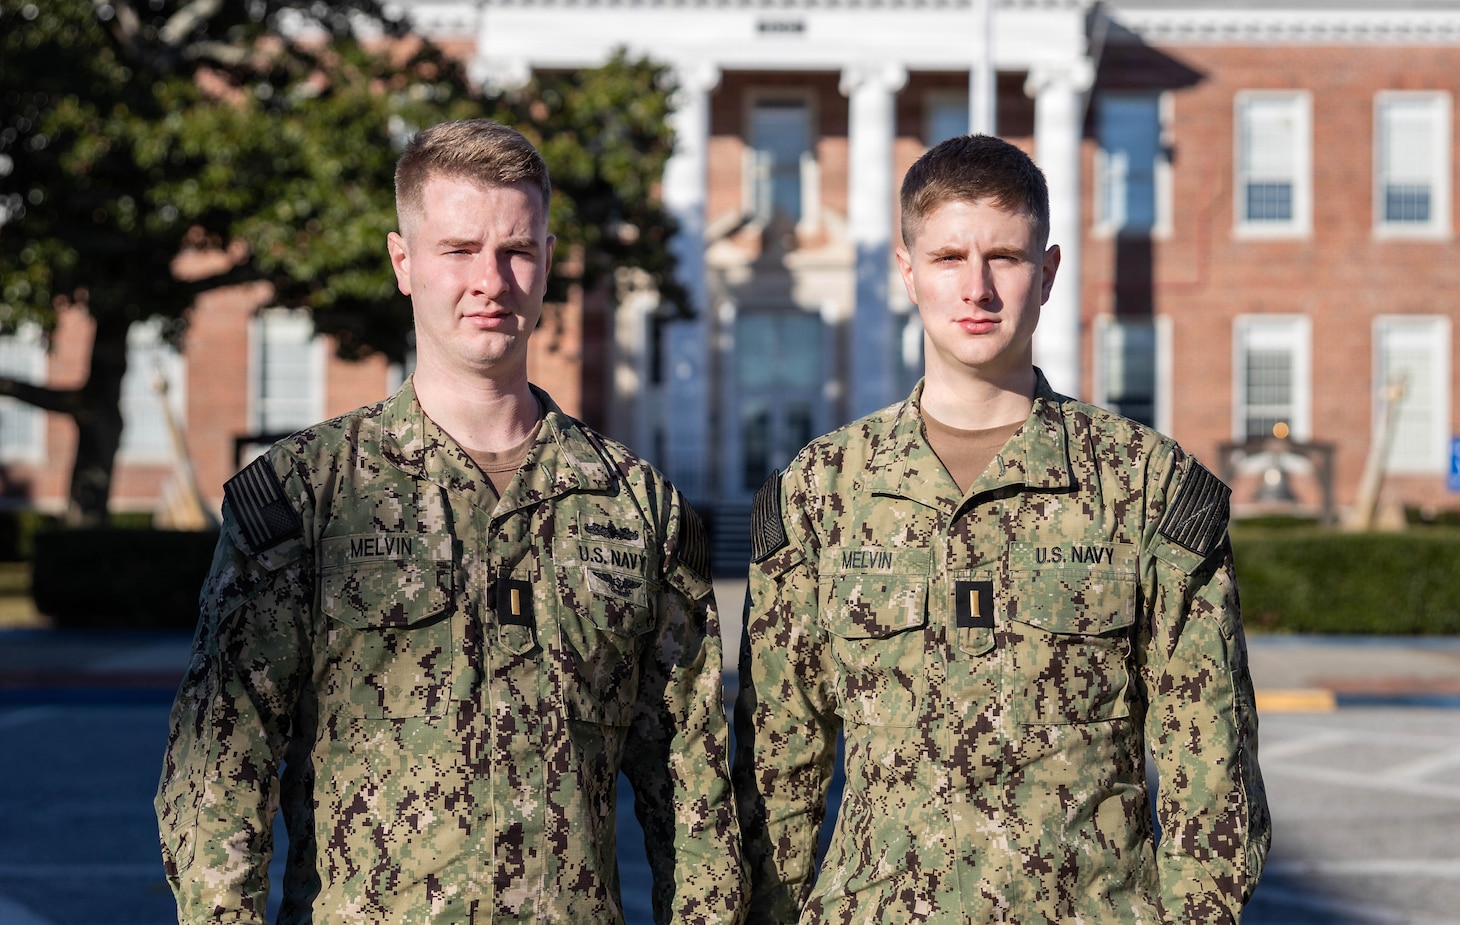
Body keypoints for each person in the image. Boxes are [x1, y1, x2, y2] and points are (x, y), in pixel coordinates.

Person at [155, 119, 746, 924]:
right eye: (459, 250)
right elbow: (221, 771)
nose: (491, 281)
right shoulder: (308, 496)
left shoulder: (637, 509)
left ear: (546, 264)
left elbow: (692, 789)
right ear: (404, 263)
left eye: (517, 250)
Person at [732, 134, 1269, 924]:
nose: (976, 288)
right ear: (907, 273)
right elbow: (778, 765)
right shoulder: (825, 490)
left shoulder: (1144, 486)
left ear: (1046, 274)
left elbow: (1211, 772)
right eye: (949, 257)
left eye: (1005, 258)